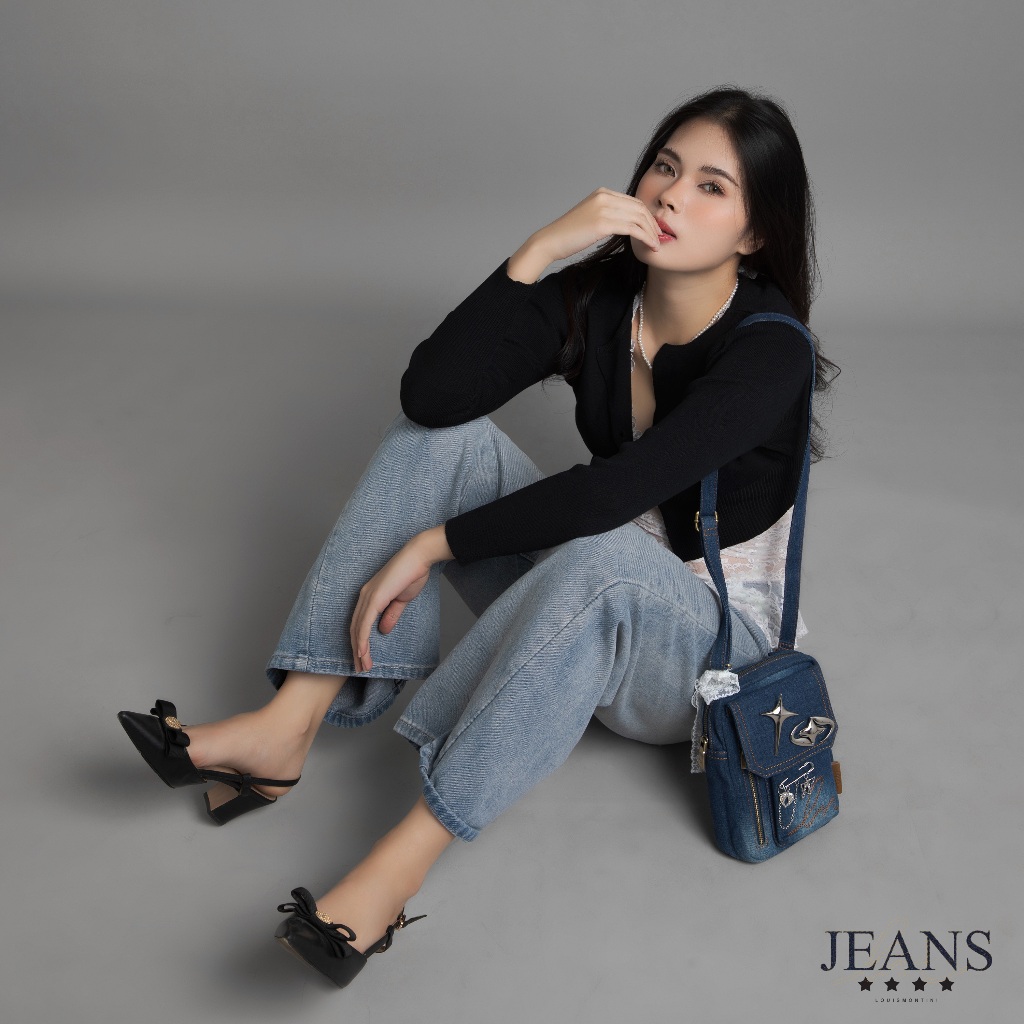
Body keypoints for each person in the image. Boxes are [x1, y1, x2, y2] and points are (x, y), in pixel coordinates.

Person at [118, 86, 837, 988]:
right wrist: (536, 252)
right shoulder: (607, 298)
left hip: (704, 663)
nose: (670, 195)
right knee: (440, 443)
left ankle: (396, 872)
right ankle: (284, 729)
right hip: (585, 599)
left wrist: (435, 544)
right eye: (664, 166)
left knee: (611, 554)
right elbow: (432, 397)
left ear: (755, 232)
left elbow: (617, 494)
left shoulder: (771, 348)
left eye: (710, 187)